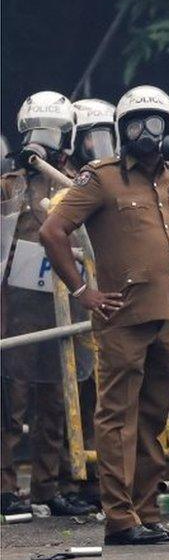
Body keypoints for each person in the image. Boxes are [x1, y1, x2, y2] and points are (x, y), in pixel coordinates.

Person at [39, 85, 169, 545]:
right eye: (136, 125)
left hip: (167, 315)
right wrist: (83, 290)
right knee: (116, 415)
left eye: (156, 124)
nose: (147, 134)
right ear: (121, 131)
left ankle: (147, 509)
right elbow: (53, 230)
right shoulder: (101, 178)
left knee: (154, 415)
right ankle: (120, 518)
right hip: (121, 317)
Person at [0, 91, 98, 517]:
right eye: (35, 131)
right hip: (15, 309)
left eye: (51, 132)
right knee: (8, 397)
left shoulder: (76, 182)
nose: (42, 140)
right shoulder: (8, 183)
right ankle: (4, 485)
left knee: (57, 397)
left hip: (64, 306)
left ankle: (49, 484)